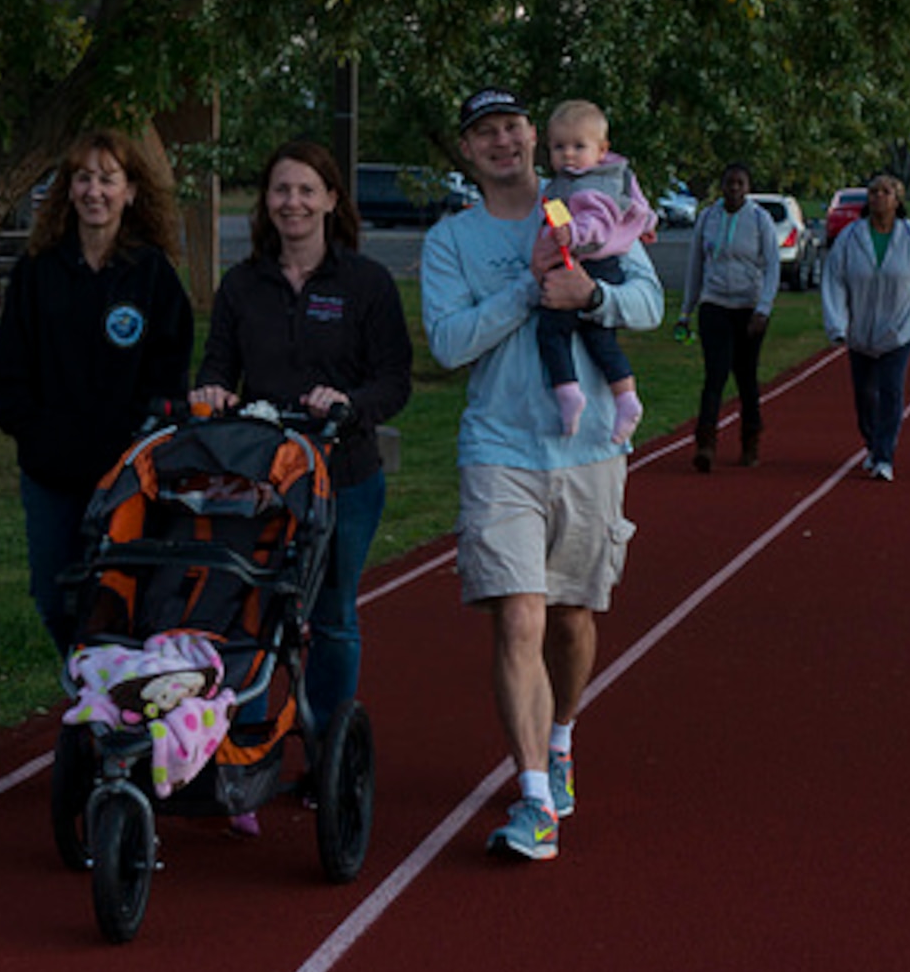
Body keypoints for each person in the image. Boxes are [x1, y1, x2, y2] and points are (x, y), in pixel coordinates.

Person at [420, 86, 666, 862]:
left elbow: (651, 302)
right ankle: (533, 798)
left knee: (570, 620)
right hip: (500, 449)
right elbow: (450, 344)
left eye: (511, 128)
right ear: (467, 150)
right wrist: (527, 290)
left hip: (590, 448)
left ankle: (559, 737)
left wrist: (591, 294)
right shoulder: (451, 240)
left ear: (535, 135)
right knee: (519, 617)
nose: (502, 142)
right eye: (483, 132)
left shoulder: (588, 199)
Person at [191, 141, 413, 745]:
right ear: (266, 201)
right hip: (262, 483)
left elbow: (394, 380)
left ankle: (325, 748)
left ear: (332, 199)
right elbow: (217, 367)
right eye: (282, 190)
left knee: (333, 618)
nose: (294, 202)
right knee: (252, 612)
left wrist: (349, 405)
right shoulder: (242, 285)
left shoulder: (365, 283)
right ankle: (250, 744)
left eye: (307, 190)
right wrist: (210, 391)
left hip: (344, 478)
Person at [0, 130, 194, 653]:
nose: (94, 191)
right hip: (52, 475)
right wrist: (37, 435)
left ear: (131, 192)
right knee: (55, 600)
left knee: (121, 601)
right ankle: (87, 694)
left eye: (108, 179)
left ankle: (115, 716)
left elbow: (169, 381)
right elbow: (8, 374)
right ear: (67, 190)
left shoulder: (153, 276)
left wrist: (138, 448)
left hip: (127, 476)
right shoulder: (38, 271)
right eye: (83, 178)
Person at [536, 99, 656, 443]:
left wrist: (573, 234)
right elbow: (635, 204)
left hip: (593, 266)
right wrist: (645, 222)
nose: (568, 155)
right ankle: (626, 397)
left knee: (551, 331)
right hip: (591, 265)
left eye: (578, 146)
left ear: (602, 150)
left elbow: (597, 224)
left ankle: (568, 391)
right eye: (559, 147)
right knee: (600, 339)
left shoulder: (593, 184)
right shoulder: (574, 181)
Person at [820, 173, 910, 484]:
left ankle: (884, 456)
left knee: (891, 390)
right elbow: (834, 282)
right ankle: (872, 441)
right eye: (873, 192)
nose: (878, 197)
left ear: (898, 199)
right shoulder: (850, 239)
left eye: (886, 192)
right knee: (864, 394)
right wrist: (837, 324)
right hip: (860, 333)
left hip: (898, 332)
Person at [677, 163, 780, 471]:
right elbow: (695, 266)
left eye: (740, 183)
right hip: (715, 303)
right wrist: (686, 311)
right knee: (715, 375)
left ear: (747, 188)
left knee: (746, 377)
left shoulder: (760, 220)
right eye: (729, 183)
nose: (734, 189)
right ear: (721, 187)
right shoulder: (708, 218)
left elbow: (773, 267)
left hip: (749, 307)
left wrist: (763, 308)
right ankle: (705, 444)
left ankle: (751, 440)